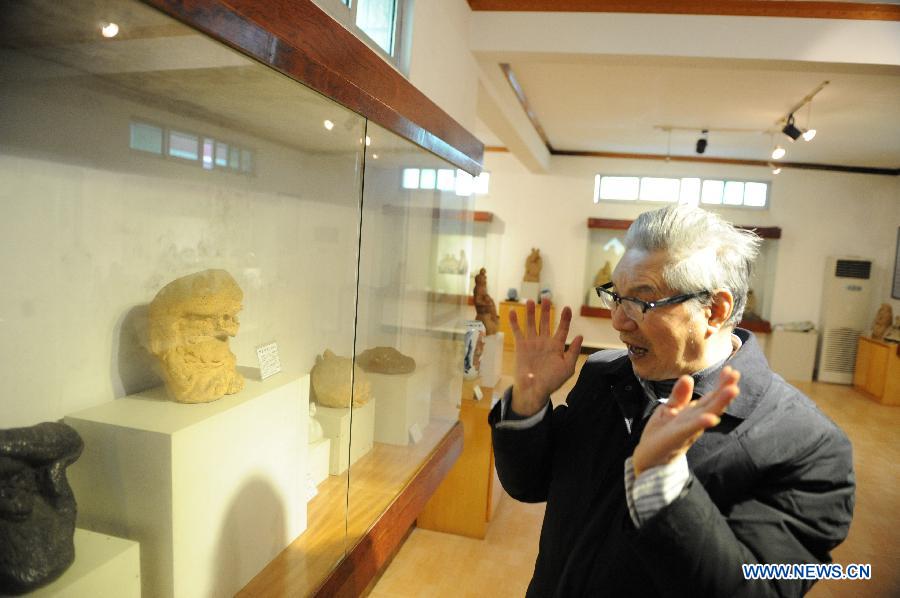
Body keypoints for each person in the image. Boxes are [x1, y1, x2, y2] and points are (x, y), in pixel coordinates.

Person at [489, 205, 855, 597]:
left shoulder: (806, 444)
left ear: (714, 310)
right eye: (616, 296)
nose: (618, 321)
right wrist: (528, 403)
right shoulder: (602, 375)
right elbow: (529, 484)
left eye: (642, 303)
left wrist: (663, 487)